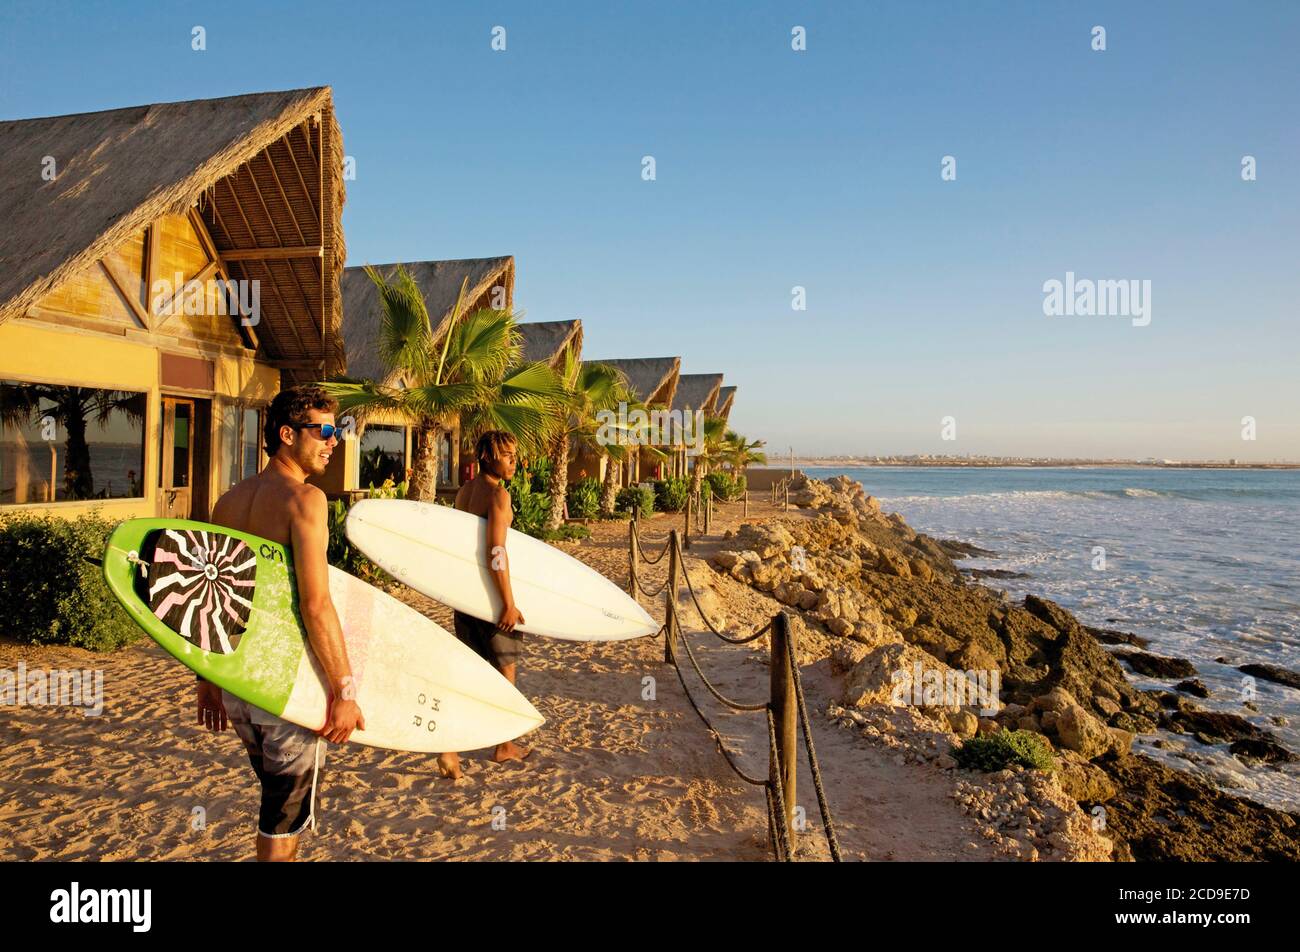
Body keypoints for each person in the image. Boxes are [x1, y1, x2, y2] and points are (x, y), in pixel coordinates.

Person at [198, 385, 365, 861]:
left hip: (239, 685)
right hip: (287, 686)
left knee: (275, 804)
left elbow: (214, 597)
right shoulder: (306, 500)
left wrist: (207, 681)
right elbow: (316, 605)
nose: (335, 441)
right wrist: (344, 691)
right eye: (326, 431)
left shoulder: (228, 502)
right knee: (281, 821)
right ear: (288, 434)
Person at [437, 431, 532, 779]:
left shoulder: (464, 491)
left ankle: (449, 747)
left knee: (470, 673)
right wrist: (508, 602)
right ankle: (504, 745)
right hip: (490, 599)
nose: (514, 462)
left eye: (514, 455)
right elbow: (496, 553)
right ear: (488, 457)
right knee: (505, 672)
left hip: (467, 597)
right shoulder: (498, 495)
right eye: (507, 456)